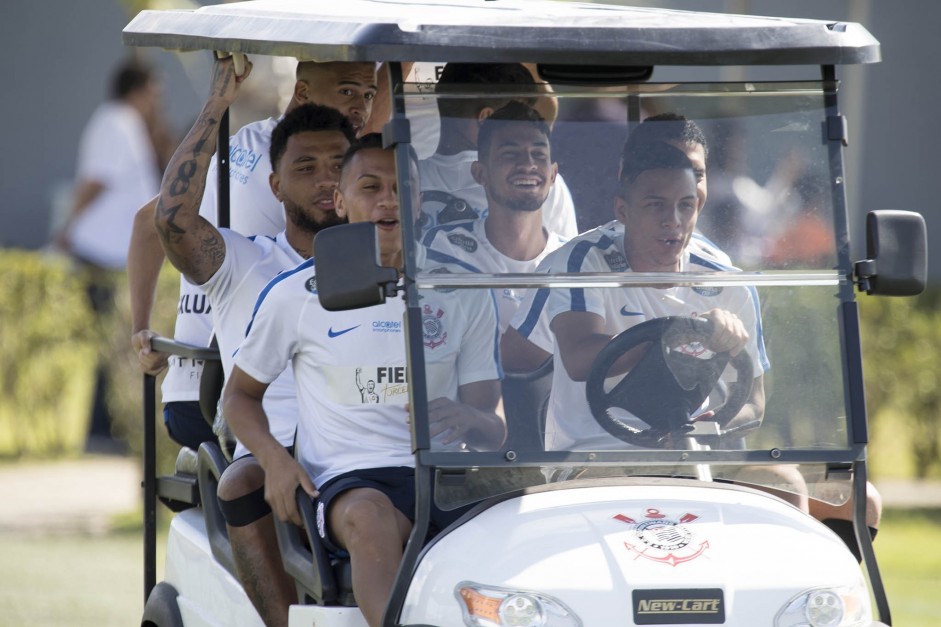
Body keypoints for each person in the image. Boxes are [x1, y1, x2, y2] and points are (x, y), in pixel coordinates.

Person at [222, 135, 505, 627]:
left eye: (402, 188)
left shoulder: (462, 291)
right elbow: (239, 397)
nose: (388, 199)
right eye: (370, 186)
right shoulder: (296, 295)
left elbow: (491, 426)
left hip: (444, 479)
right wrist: (276, 460)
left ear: (418, 200)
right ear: (340, 201)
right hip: (350, 482)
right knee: (370, 517)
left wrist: (468, 418)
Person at [151, 55, 357, 627]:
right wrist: (217, 103)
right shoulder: (244, 262)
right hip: (277, 448)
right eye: (305, 166)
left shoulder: (390, 265)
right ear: (275, 183)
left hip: (368, 446)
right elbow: (171, 220)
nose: (324, 180)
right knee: (243, 479)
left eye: (338, 166)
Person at [129, 59, 378, 450]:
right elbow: (162, 222)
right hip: (233, 396)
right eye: (347, 92)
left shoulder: (245, 142)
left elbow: (149, 220)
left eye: (369, 95)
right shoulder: (311, 179)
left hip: (193, 381)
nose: (360, 108)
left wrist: (140, 331)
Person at [502, 112, 729, 372]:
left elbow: (749, 395)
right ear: (625, 183)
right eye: (662, 168)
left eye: (695, 174)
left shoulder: (721, 271)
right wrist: (674, 336)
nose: (679, 183)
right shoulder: (577, 263)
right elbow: (519, 368)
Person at [55, 57, 171, 452]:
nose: (156, 101)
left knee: (114, 341)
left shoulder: (126, 123)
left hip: (113, 252)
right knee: (112, 342)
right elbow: (95, 181)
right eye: (152, 92)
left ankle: (107, 430)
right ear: (135, 91)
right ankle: (102, 432)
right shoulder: (116, 121)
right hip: (101, 251)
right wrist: (68, 229)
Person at [421, 101, 568, 333]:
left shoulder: (574, 259)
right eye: (510, 154)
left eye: (538, 154)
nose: (528, 164)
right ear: (480, 173)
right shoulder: (445, 248)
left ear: (553, 174)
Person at [418, 62, 577, 238]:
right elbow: (568, 260)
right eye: (517, 117)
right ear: (486, 118)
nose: (527, 127)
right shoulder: (536, 180)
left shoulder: (403, 179)